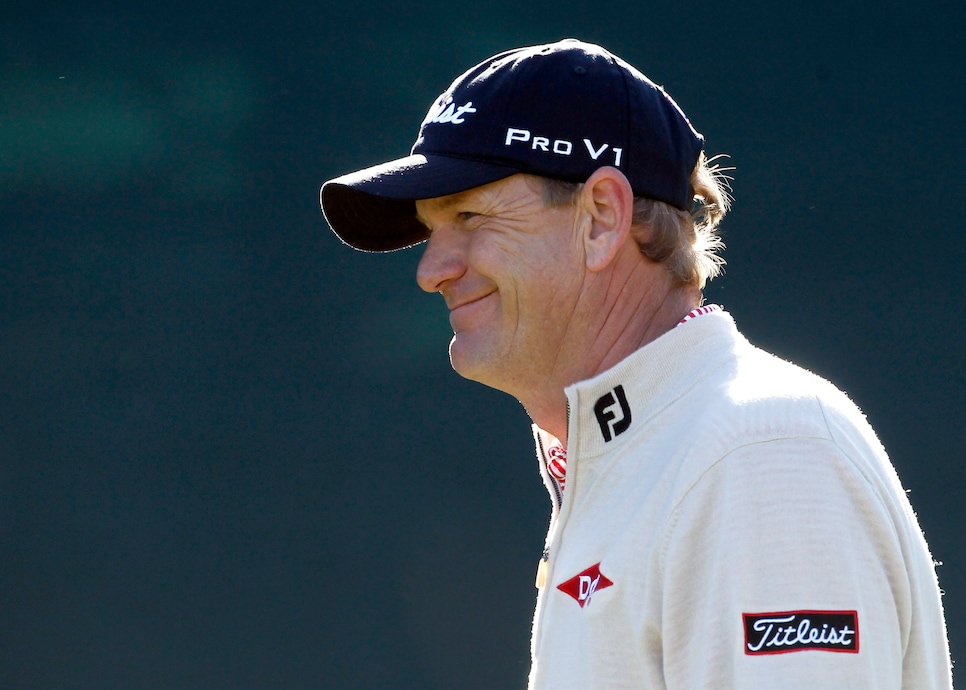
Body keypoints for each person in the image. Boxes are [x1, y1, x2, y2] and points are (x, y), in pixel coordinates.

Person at [320, 39, 952, 689]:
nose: (431, 270)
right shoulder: (656, 452)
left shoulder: (757, 449)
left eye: (470, 216)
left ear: (601, 218)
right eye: (432, 229)